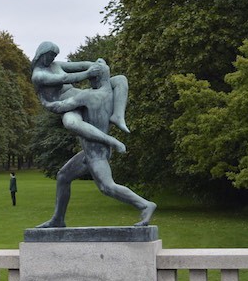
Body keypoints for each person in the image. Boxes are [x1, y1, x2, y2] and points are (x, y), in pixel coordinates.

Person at [37, 58, 156, 227]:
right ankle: (58, 219)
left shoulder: (87, 96)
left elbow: (58, 107)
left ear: (96, 78)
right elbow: (120, 80)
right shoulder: (111, 94)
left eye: (91, 78)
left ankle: (145, 205)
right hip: (92, 151)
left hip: (96, 152)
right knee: (63, 176)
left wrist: (44, 100)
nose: (89, 81)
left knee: (107, 187)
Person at [31, 41, 129, 153]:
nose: (53, 58)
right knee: (71, 123)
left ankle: (118, 116)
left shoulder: (55, 65)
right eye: (51, 55)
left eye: (55, 55)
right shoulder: (38, 75)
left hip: (79, 97)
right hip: (64, 104)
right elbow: (64, 79)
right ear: (42, 53)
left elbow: (81, 65)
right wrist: (88, 74)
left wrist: (96, 65)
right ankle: (110, 141)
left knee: (120, 80)